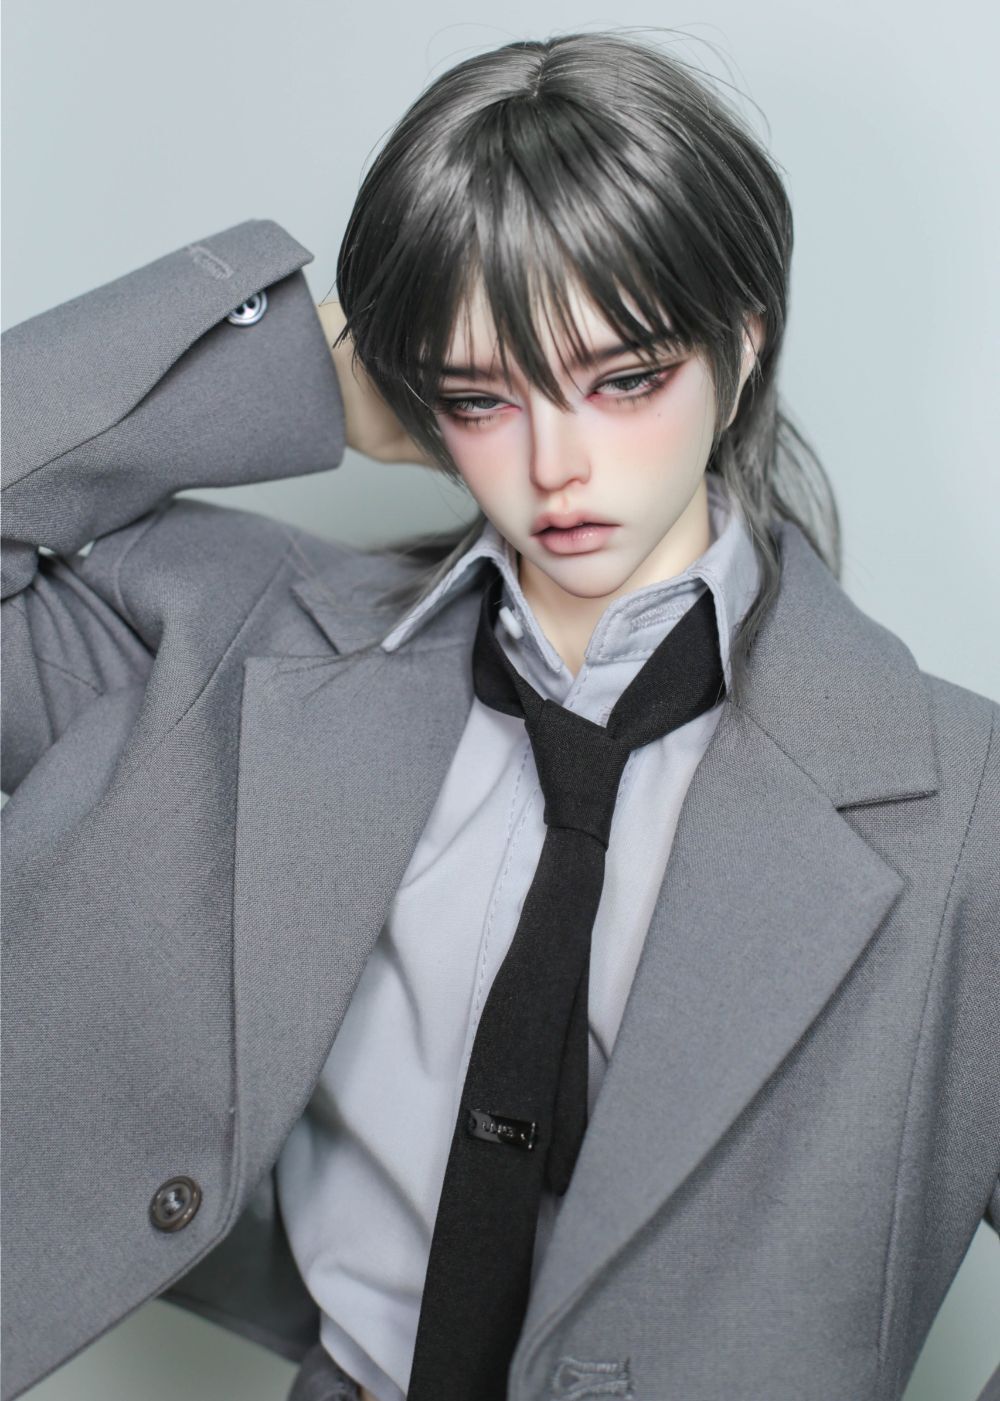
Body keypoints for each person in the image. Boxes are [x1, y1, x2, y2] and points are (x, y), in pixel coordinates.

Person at [2, 29, 997, 1401]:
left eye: (624, 378)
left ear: (743, 342)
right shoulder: (245, 655)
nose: (555, 463)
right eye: (482, 396)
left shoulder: (964, 801)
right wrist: (295, 371)